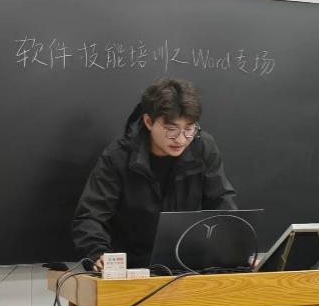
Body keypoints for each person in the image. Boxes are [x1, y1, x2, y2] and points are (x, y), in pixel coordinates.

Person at [72, 78, 237, 270]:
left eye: (189, 129)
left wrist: (236, 250)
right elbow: (90, 216)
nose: (181, 139)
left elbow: (221, 203)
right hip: (132, 268)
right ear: (149, 121)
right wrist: (98, 253)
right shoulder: (118, 156)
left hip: (189, 264)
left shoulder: (203, 148)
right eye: (171, 129)